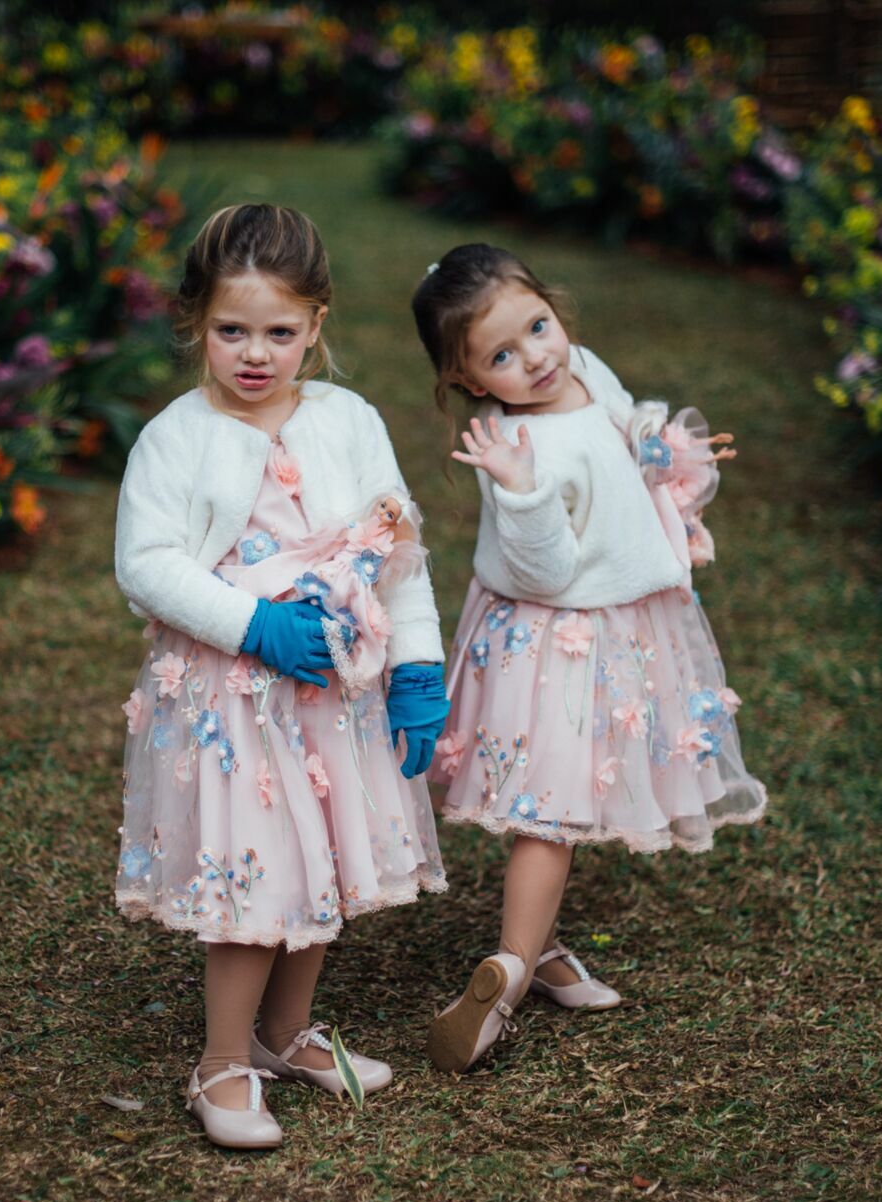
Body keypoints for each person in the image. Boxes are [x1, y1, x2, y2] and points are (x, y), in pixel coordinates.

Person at [113, 204, 451, 1147]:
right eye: (231, 331)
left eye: (279, 332)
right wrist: (254, 623)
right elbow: (146, 562)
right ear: (196, 326)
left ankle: (284, 1034)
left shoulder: (350, 422)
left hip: (335, 690)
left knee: (326, 861)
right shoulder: (175, 438)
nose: (254, 354)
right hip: (235, 695)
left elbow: (396, 549)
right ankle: (221, 1060)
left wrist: (417, 666)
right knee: (256, 870)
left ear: (317, 326)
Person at [410, 243, 768, 1073]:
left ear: (553, 308)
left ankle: (537, 949)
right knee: (553, 813)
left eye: (539, 327)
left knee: (556, 795)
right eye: (502, 355)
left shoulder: (579, 370)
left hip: (603, 625)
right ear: (469, 382)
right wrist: (521, 491)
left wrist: (659, 460)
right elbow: (545, 567)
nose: (535, 357)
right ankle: (504, 974)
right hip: (559, 638)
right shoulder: (521, 450)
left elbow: (618, 416)